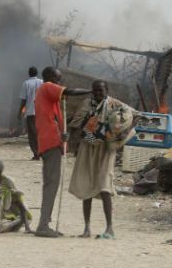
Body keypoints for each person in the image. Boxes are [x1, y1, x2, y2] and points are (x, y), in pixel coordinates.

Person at [68, 80, 137, 239]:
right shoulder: (87, 104)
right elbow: (76, 124)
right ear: (92, 91)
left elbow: (136, 115)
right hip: (88, 146)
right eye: (96, 91)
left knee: (105, 187)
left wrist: (125, 134)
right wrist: (74, 135)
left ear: (106, 91)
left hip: (106, 149)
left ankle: (110, 229)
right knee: (86, 186)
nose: (98, 93)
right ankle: (86, 229)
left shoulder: (115, 104)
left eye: (101, 90)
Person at [34, 67, 91, 238]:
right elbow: (70, 92)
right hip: (50, 143)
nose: (61, 83)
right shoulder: (47, 87)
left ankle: (45, 222)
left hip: (53, 142)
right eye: (59, 80)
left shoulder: (51, 99)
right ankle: (43, 225)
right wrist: (90, 90)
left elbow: (56, 121)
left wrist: (63, 134)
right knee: (51, 185)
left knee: (52, 184)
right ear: (51, 78)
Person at [19, 67, 43, 160]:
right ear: (37, 73)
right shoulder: (42, 82)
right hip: (41, 112)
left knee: (32, 134)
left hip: (30, 112)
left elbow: (23, 101)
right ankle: (41, 152)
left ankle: (36, 154)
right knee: (39, 132)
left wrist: (20, 112)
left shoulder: (26, 83)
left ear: (29, 73)